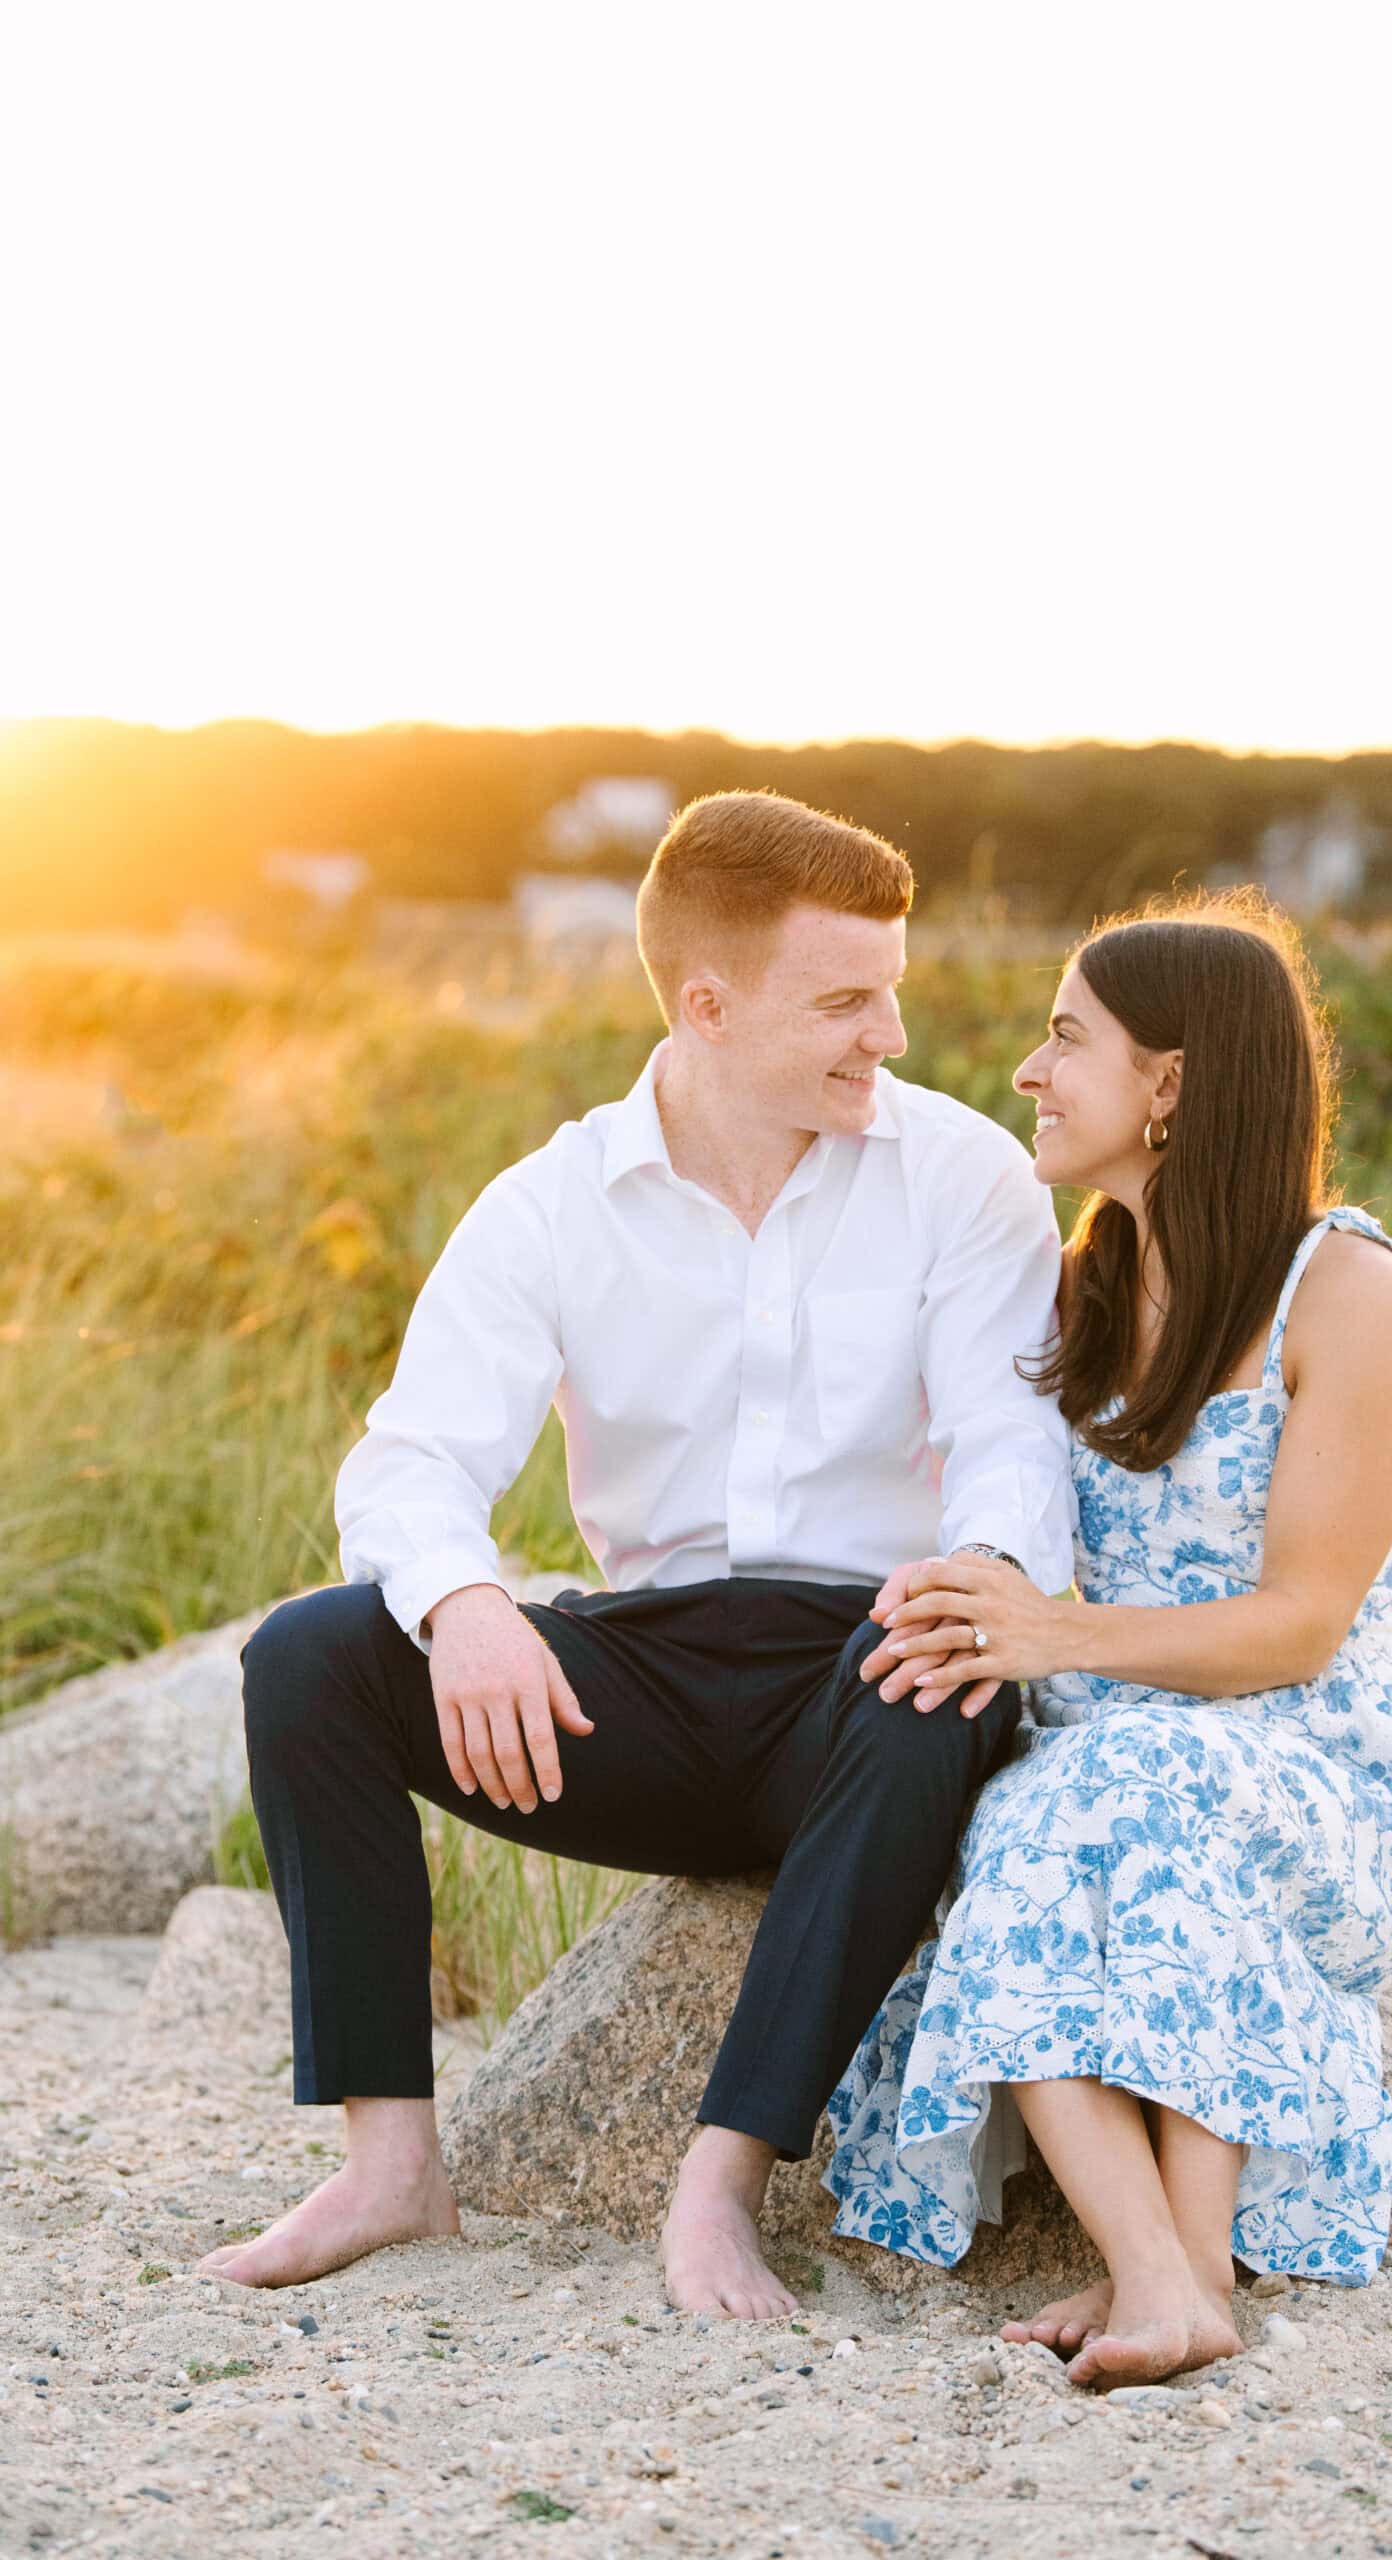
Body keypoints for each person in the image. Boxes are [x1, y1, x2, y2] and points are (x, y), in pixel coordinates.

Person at [201, 790, 1072, 2314]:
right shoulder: (548, 1207)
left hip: (862, 1674)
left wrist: (981, 1575)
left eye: (895, 989)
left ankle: (718, 2186)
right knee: (308, 1657)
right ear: (708, 1005)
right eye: (847, 1000)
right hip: (643, 1692)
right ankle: (390, 2165)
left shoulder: (965, 1175)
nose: (893, 1034)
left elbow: (1009, 1438)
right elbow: (411, 1459)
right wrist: (469, 1607)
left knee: (939, 1669)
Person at [824, 894, 1392, 2386]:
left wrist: (1049, 1634)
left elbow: (1301, 1624)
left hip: (1312, 1768)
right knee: (1044, 1814)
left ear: (1169, 1083)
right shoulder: (1075, 1287)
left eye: (1065, 1037)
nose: (1029, 1073)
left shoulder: (1344, 1293)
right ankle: (1170, 2283)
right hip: (1106, 1758)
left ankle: (1159, 2278)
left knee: (1125, 1796)